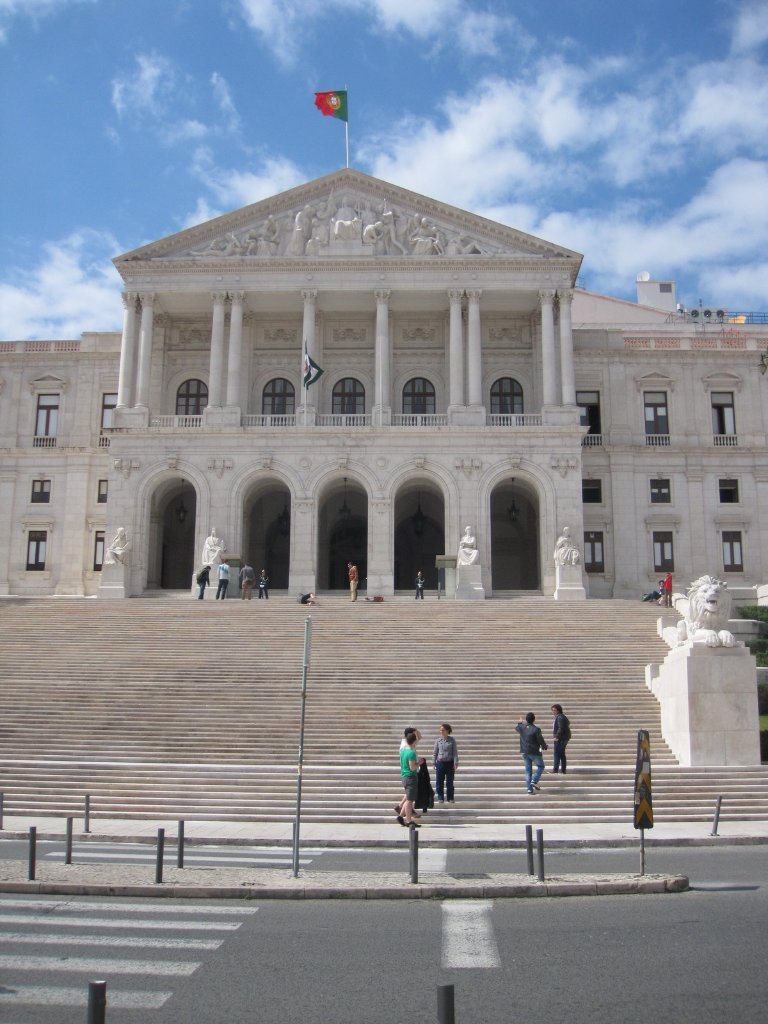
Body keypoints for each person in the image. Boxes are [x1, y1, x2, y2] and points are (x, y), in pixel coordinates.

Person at [516, 712, 548, 794]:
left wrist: (520, 722)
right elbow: (540, 739)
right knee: (541, 766)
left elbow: (517, 727)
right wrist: (544, 746)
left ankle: (529, 789)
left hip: (524, 752)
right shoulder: (536, 729)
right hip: (534, 752)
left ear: (526, 719)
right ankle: (534, 780)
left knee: (528, 771)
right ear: (534, 719)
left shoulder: (522, 728)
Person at [398, 730, 421, 827]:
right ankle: (408, 820)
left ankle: (400, 816)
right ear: (414, 740)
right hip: (411, 776)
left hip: (404, 776)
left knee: (408, 797)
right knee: (410, 800)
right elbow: (412, 767)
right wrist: (419, 763)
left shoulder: (403, 751)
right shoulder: (411, 752)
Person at [433, 723, 459, 804]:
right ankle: (440, 797)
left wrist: (455, 763)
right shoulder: (438, 741)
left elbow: (455, 753)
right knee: (439, 781)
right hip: (440, 763)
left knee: (449, 782)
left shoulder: (452, 740)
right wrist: (433, 763)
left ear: (447, 731)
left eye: (443, 730)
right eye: (440, 730)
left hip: (449, 763)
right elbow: (435, 753)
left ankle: (450, 797)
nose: (441, 731)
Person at [550, 704, 571, 774]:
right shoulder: (561, 717)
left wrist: (557, 737)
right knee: (561, 754)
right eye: (552, 710)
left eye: (554, 710)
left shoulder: (560, 717)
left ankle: (555, 769)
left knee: (557, 753)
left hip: (561, 738)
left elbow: (560, 728)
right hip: (563, 738)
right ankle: (563, 770)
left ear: (558, 710)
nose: (553, 712)